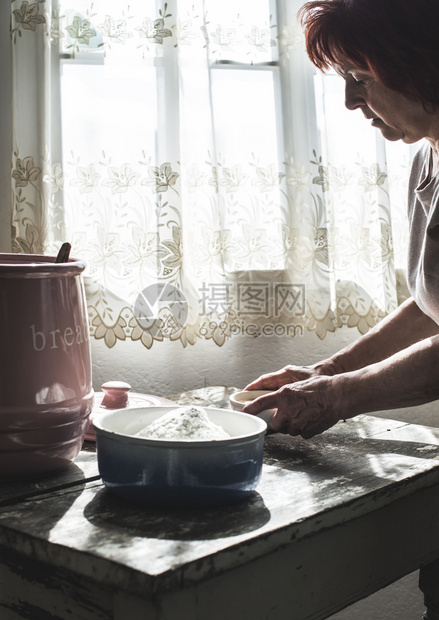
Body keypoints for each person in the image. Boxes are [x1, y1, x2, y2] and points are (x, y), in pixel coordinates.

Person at [242, 0, 439, 439]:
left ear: (420, 65)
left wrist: (335, 395)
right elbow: (434, 308)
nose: (350, 100)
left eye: (360, 78)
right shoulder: (426, 157)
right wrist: (328, 370)